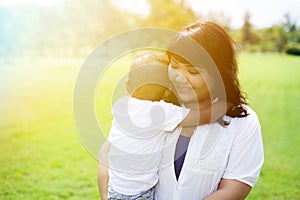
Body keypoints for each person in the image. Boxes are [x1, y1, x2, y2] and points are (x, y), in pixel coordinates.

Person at [98, 51, 230, 200]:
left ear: (128, 86)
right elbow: (204, 116)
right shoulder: (162, 112)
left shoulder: (120, 106)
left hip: (115, 189)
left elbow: (104, 154)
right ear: (167, 90)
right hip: (139, 194)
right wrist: (227, 102)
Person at [154, 21, 264, 200]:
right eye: (174, 66)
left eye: (193, 71)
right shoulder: (155, 107)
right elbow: (112, 159)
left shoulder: (243, 121)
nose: (180, 78)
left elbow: (234, 188)